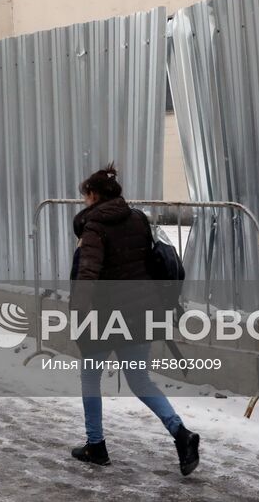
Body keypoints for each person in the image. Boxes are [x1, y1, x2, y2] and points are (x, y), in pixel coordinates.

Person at [68, 163, 201, 476]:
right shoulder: (138, 219)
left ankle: (96, 446)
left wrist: (79, 314)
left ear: (94, 194)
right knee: (140, 379)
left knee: (90, 377)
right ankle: (182, 435)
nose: (84, 200)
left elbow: (88, 274)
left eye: (86, 194)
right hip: (142, 313)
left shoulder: (93, 228)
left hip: (105, 316)